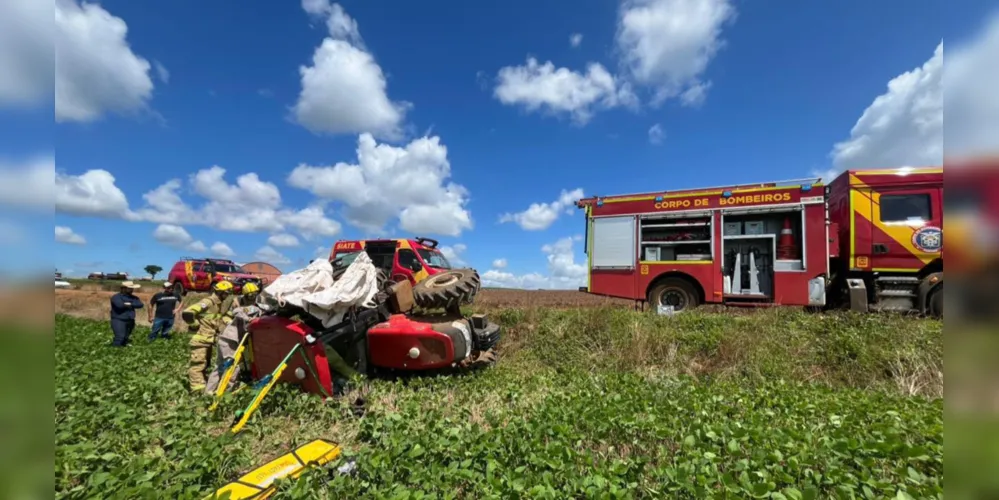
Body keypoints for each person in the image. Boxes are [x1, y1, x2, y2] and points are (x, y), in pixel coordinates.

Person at [204, 282, 264, 394]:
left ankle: (208, 392)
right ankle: (225, 393)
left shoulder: (252, 306)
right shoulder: (246, 308)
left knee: (220, 367)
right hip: (230, 341)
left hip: (225, 340)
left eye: (254, 295)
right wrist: (249, 319)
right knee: (232, 367)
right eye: (251, 295)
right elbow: (237, 312)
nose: (252, 297)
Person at [182, 280, 235, 393]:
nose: (227, 296)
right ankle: (197, 390)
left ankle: (203, 384)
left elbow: (217, 319)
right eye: (226, 293)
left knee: (206, 364)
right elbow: (188, 313)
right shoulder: (208, 302)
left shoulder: (218, 303)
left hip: (208, 339)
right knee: (198, 364)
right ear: (219, 292)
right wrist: (195, 324)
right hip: (200, 339)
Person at [110, 281, 144, 347]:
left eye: (132, 288)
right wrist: (132, 304)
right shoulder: (116, 297)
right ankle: (115, 351)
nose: (132, 290)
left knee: (125, 337)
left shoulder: (134, 297)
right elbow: (119, 305)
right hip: (118, 320)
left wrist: (129, 304)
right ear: (123, 288)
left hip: (130, 320)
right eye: (130, 288)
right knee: (120, 337)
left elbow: (140, 304)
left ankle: (122, 351)